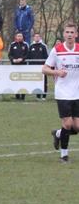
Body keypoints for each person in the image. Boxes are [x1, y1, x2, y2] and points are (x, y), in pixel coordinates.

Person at [44, 22, 79, 164]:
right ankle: (64, 156)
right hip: (63, 92)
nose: (70, 35)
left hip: (77, 93)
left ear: (76, 34)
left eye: (72, 32)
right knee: (68, 123)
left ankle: (58, 133)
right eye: (67, 32)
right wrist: (56, 71)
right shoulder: (57, 50)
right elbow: (44, 69)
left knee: (76, 127)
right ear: (64, 34)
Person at [8, 33, 30, 100]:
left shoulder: (25, 45)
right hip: (14, 66)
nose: (19, 37)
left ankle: (23, 96)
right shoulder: (12, 44)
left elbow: (28, 54)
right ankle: (17, 96)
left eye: (20, 36)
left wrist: (22, 59)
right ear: (16, 37)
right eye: (18, 36)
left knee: (23, 81)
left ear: (22, 37)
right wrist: (13, 60)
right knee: (15, 81)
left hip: (23, 66)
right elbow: (10, 55)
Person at [27, 33, 49, 101]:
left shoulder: (43, 46)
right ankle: (38, 96)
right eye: (35, 36)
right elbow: (29, 57)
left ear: (40, 38)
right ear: (33, 38)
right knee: (37, 82)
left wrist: (46, 66)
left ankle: (44, 96)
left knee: (44, 81)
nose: (37, 38)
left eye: (38, 36)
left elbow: (46, 57)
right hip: (34, 68)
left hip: (42, 68)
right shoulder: (31, 46)